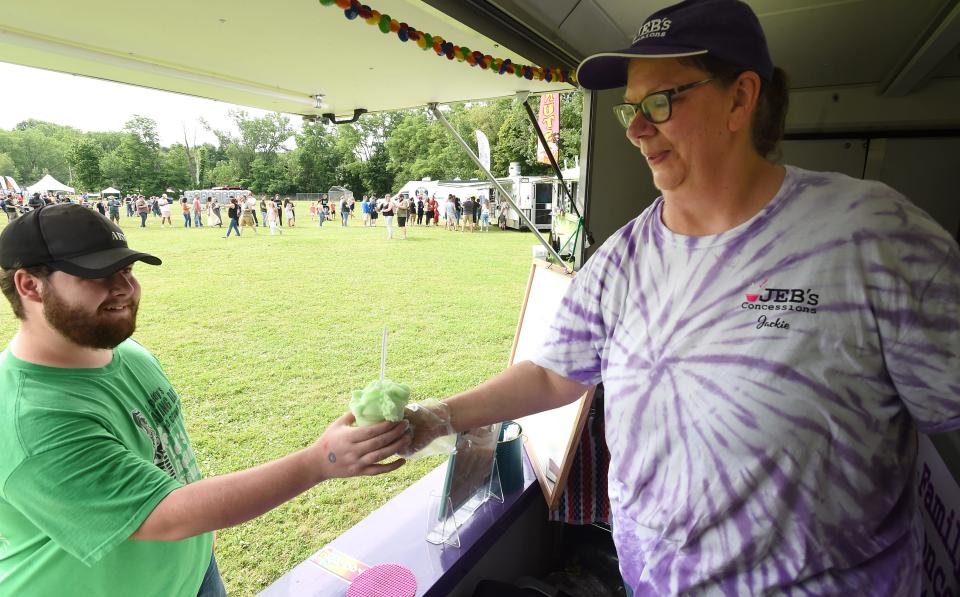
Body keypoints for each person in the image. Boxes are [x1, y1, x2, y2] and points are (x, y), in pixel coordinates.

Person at [401, 0, 960, 594]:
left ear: (741, 99)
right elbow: (551, 377)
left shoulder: (871, 234)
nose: (639, 129)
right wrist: (435, 419)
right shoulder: (624, 256)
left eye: (662, 102)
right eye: (631, 109)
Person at [0, 204, 410, 596]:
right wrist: (323, 460)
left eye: (126, 270)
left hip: (193, 574)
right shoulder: (30, 416)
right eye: (99, 275)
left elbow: (167, 463)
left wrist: (198, 547)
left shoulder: (126, 353)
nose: (125, 288)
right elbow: (163, 514)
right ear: (30, 285)